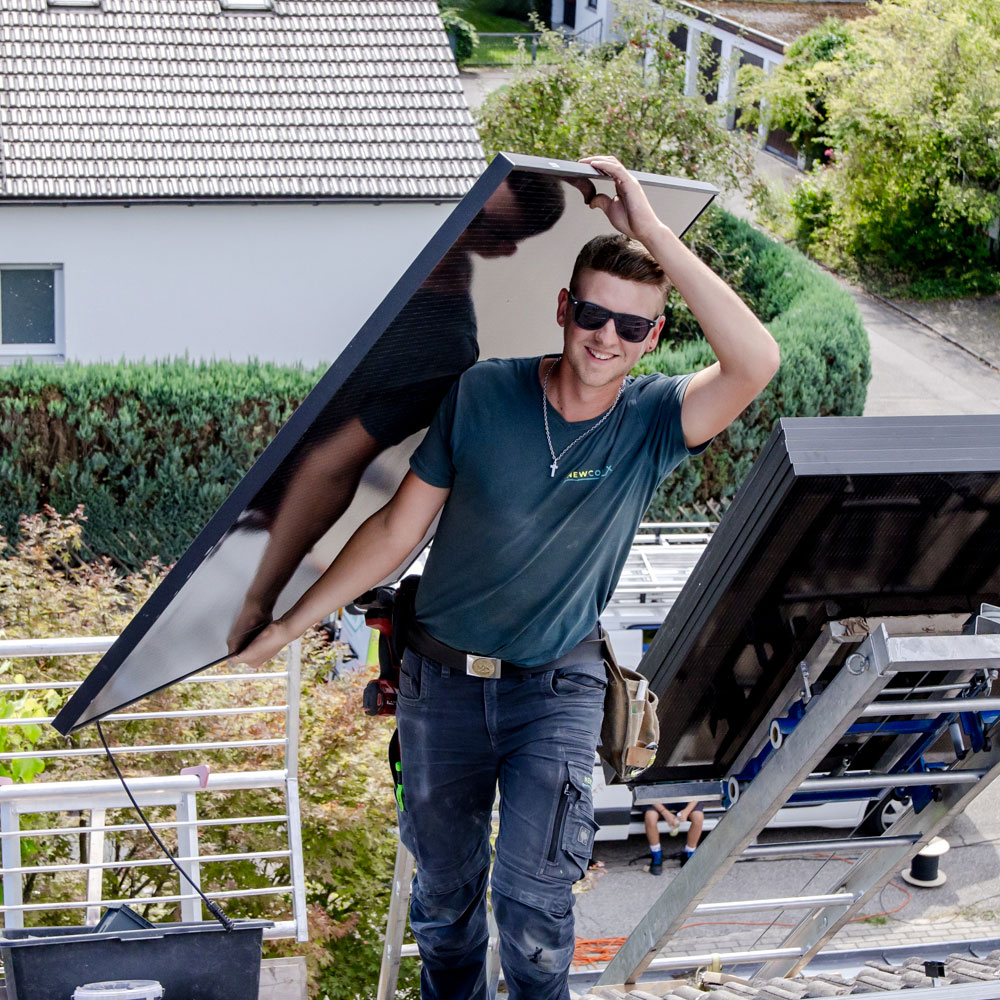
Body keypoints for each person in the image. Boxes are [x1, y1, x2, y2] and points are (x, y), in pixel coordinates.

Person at [234, 153, 780, 1000]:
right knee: (445, 910)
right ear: (565, 308)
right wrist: (287, 622)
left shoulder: (652, 420)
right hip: (439, 687)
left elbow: (755, 362)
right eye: (594, 314)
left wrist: (650, 232)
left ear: (653, 337)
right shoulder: (483, 393)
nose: (608, 338)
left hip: (553, 689)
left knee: (533, 910)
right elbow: (393, 530)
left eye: (633, 327)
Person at [645, 801, 704, 874]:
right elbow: (649, 794)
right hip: (659, 798)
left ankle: (689, 853)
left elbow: (697, 793)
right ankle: (656, 855)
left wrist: (687, 811)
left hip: (685, 798)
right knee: (650, 817)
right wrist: (664, 812)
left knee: (698, 817)